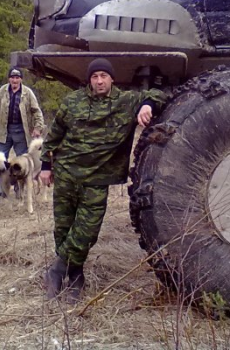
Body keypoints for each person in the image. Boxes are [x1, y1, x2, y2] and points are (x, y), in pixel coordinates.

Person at [38, 58, 166, 303]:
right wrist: (46, 166)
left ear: (111, 79)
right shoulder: (72, 102)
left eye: (103, 76)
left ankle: (56, 270)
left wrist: (147, 104)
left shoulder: (125, 102)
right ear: (89, 80)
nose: (99, 81)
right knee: (63, 229)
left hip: (97, 179)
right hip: (66, 174)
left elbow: (160, 93)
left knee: (87, 230)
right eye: (95, 76)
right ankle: (75, 275)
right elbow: (54, 135)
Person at [0, 68, 44, 158]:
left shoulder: (28, 93)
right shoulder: (2, 91)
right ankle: (3, 172)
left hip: (21, 131)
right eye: (12, 77)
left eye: (17, 77)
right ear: (9, 79)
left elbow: (37, 111)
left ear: (21, 79)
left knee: (23, 161)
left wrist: (38, 128)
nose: (15, 80)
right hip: (4, 130)